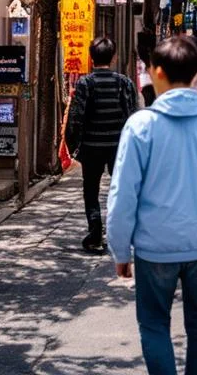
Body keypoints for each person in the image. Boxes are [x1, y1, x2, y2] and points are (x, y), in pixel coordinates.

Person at [107, 36, 197, 375]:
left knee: (154, 324)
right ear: (196, 75)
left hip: (154, 248)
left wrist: (120, 250)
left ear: (156, 73)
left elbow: (123, 195)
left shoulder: (141, 127)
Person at [65, 37, 139, 252]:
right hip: (119, 147)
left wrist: (74, 147)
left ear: (91, 57)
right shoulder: (124, 82)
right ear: (113, 57)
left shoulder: (85, 84)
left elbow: (76, 118)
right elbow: (133, 114)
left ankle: (95, 233)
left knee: (91, 190)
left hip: (91, 147)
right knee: (120, 190)